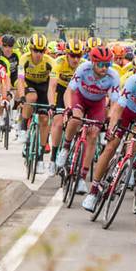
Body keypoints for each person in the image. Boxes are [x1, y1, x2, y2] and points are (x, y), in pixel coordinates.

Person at [82, 58, 136, 213]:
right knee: (111, 147)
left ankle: (134, 165)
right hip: (126, 112)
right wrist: (111, 128)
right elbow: (117, 109)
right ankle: (93, 190)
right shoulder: (133, 81)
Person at [54, 46, 121, 194]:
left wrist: (110, 120)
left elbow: (115, 103)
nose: (104, 68)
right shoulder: (83, 68)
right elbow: (69, 91)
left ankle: (81, 178)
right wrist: (68, 108)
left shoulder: (113, 76)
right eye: (101, 64)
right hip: (80, 98)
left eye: (107, 64)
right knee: (76, 118)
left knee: (94, 134)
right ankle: (65, 148)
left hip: (98, 103)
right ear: (93, 62)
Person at [46, 39, 87, 173]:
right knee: (58, 122)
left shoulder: (84, 64)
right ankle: (53, 159)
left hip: (77, 92)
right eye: (72, 55)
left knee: (79, 121)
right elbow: (52, 86)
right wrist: (52, 105)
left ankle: (74, 150)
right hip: (61, 89)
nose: (75, 59)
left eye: (78, 55)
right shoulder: (59, 62)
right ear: (66, 54)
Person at [16, 34, 54, 145]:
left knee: (44, 119)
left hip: (43, 86)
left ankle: (41, 153)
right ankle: (23, 128)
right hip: (29, 83)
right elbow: (20, 80)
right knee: (31, 97)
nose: (38, 54)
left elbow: (53, 84)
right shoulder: (24, 59)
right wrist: (22, 97)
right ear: (31, 49)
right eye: (36, 51)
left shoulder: (50, 61)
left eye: (41, 51)